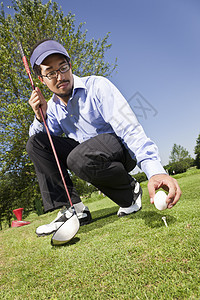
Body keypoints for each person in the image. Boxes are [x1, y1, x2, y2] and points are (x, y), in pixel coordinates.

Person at [27, 39, 181, 236]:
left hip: (120, 150)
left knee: (78, 157)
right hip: (86, 157)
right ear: (42, 79)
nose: (60, 76)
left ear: (70, 66)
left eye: (63, 67)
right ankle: (74, 210)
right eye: (50, 72)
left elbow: (129, 129)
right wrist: (40, 118)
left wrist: (155, 171)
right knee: (36, 142)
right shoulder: (53, 108)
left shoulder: (98, 86)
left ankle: (130, 191)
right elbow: (41, 147)